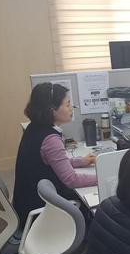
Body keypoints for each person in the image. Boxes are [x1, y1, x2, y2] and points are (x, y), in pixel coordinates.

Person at [12, 83, 96, 238]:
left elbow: (53, 162)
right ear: (52, 110)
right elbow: (71, 179)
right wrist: (102, 177)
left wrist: (80, 161)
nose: (71, 109)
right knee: (94, 206)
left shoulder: (34, 128)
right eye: (68, 105)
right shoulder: (50, 139)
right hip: (40, 212)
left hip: (26, 205)